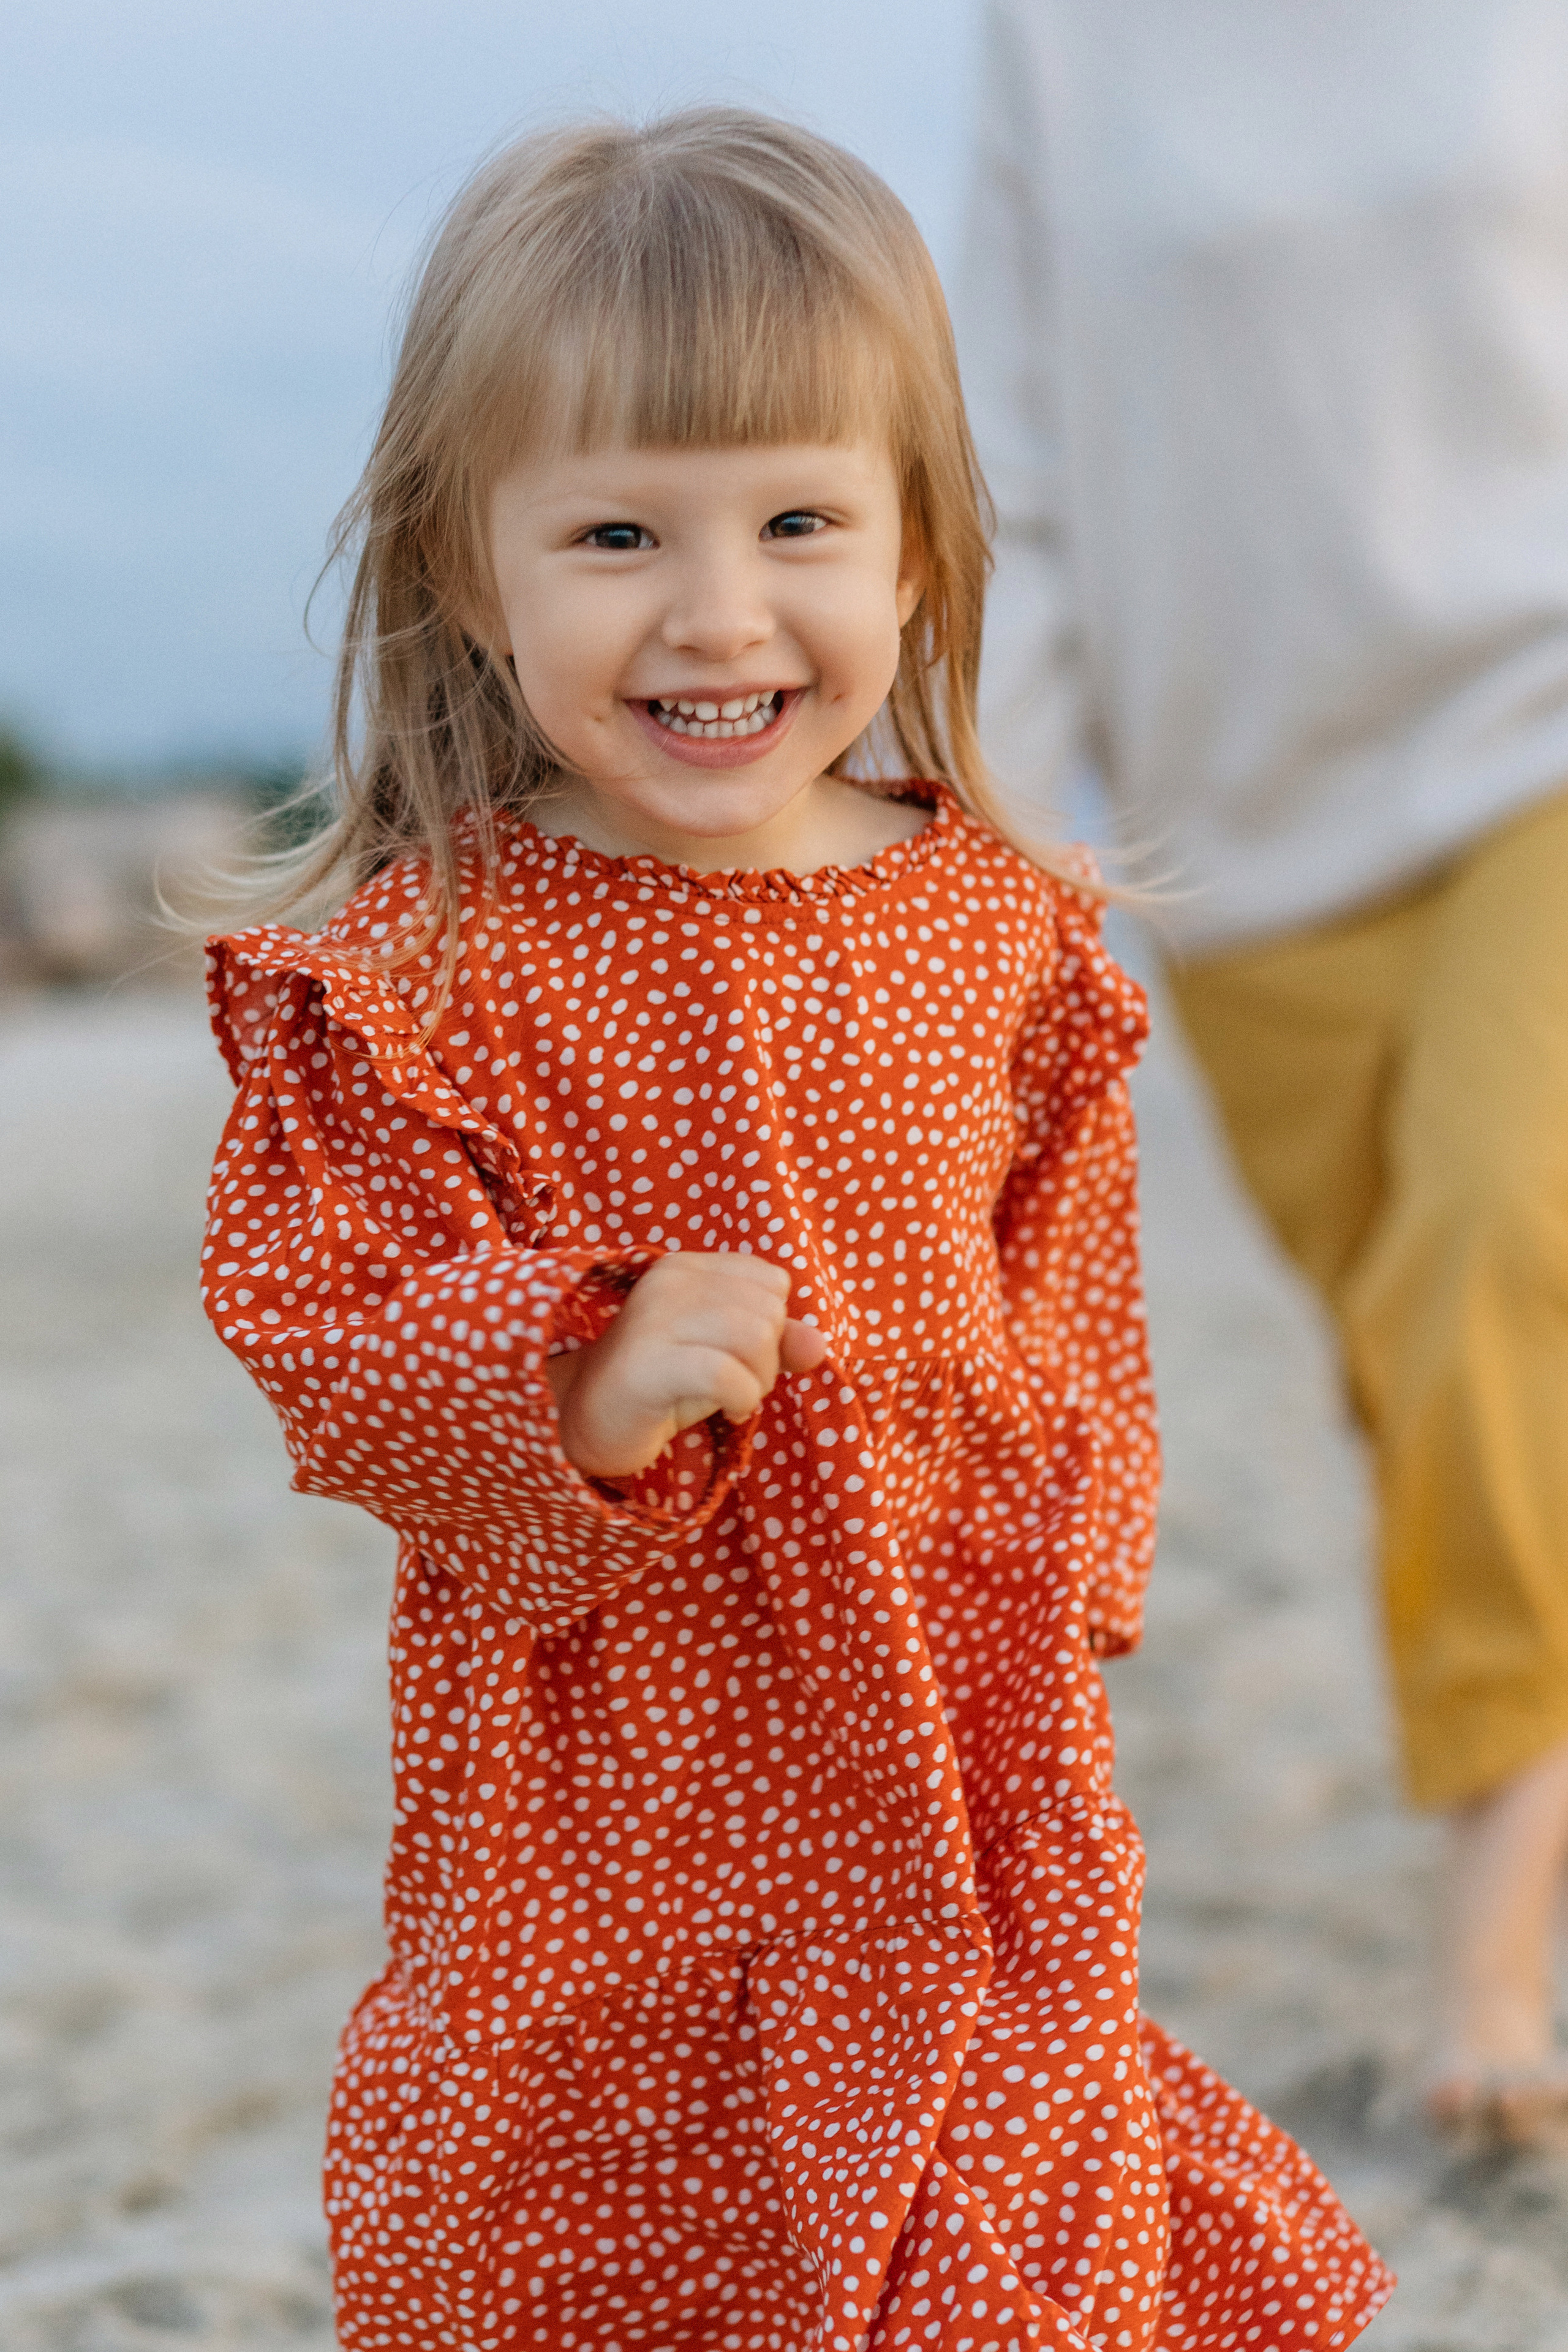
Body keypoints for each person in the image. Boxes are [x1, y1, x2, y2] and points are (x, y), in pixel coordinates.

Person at [202, 111, 1390, 2348]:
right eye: (620, 531)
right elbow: (318, 1308)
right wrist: (574, 1379)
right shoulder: (433, 962)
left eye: (802, 522)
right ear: (471, 569)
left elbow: (1075, 1306)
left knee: (997, 2216)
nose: (721, 611)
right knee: (608, 2212)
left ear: (923, 551)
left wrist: (1077, 1558)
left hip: (958, 1742)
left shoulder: (1006, 934)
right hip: (609, 1761)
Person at [958, 0, 1568, 2144]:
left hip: (1538, 735)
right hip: (1234, 844)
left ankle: (1496, 1928)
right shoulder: (1051, 37)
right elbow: (1008, 478)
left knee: (1502, 1263)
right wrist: (1021, 886)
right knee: (1431, 1372)